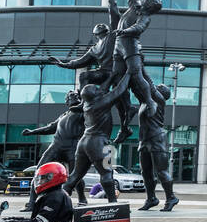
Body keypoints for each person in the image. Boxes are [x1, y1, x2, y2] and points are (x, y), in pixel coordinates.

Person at [106, 0, 163, 142]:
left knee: (136, 74)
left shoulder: (145, 17)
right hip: (119, 45)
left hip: (131, 46)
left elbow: (138, 28)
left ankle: (149, 101)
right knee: (116, 79)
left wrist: (124, 30)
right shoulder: (134, 6)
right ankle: (127, 115)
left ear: (151, 5)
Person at [63, 71, 132, 202]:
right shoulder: (102, 102)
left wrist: (111, 76)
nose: (100, 89)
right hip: (99, 143)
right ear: (95, 94)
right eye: (96, 89)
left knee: (75, 175)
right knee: (107, 172)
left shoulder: (86, 104)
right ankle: (113, 203)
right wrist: (128, 72)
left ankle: (60, 200)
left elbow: (104, 89)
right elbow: (120, 89)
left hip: (83, 143)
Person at [22, 90, 87, 205]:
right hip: (56, 147)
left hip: (72, 147)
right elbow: (49, 128)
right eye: (70, 96)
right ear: (66, 102)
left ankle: (82, 199)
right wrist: (32, 132)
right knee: (39, 171)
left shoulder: (83, 112)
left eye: (75, 95)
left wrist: (84, 98)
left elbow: (89, 106)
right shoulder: (63, 116)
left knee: (76, 175)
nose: (73, 96)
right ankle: (32, 203)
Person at [138, 82, 179, 212]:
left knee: (161, 172)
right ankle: (151, 199)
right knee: (146, 172)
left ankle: (171, 197)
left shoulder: (159, 100)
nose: (156, 87)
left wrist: (139, 66)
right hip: (144, 140)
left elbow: (146, 83)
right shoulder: (145, 101)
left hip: (157, 139)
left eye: (159, 87)